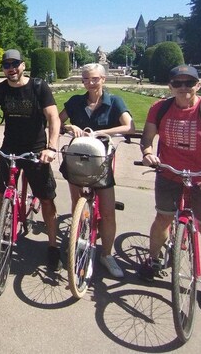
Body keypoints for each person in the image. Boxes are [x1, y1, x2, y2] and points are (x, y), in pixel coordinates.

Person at [139, 65, 201, 315]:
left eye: (189, 83)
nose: (183, 88)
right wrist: (148, 152)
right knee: (163, 218)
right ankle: (154, 259)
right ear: (170, 86)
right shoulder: (159, 108)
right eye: (177, 83)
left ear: (197, 85)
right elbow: (147, 137)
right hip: (169, 173)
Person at [0, 49, 62, 269]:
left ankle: (52, 246)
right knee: (1, 193)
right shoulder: (0, 89)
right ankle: (1, 230)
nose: (11, 68)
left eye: (15, 64)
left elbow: (53, 118)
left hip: (36, 149)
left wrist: (51, 147)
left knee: (47, 199)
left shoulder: (39, 87)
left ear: (23, 65)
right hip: (10, 148)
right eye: (6, 65)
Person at [58, 63, 135, 278]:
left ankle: (106, 254)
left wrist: (101, 132)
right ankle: (78, 240)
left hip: (101, 160)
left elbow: (130, 127)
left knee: (108, 212)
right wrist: (68, 127)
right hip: (77, 157)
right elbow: (56, 120)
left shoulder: (114, 102)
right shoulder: (75, 102)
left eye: (94, 79)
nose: (90, 83)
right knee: (77, 205)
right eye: (85, 79)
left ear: (103, 79)